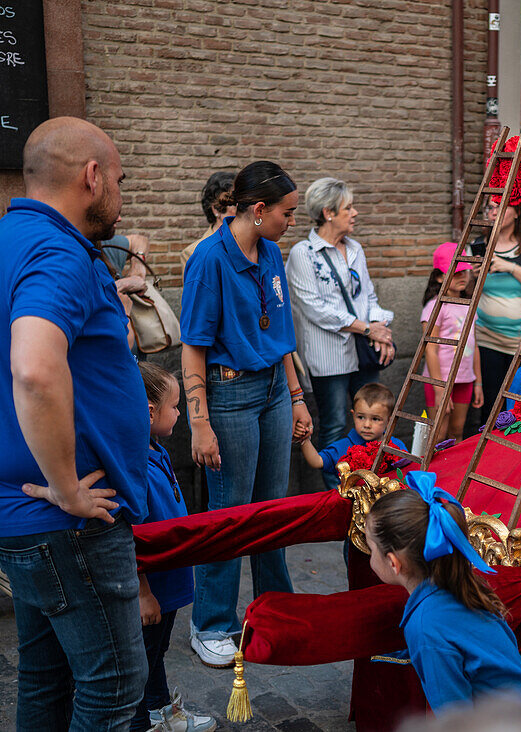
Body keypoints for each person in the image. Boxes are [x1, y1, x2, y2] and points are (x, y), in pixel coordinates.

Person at [0, 117, 149, 729]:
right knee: (114, 685)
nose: (120, 192)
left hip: (22, 514)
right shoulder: (58, 250)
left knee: (45, 678)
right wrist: (65, 487)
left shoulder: (12, 237)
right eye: (118, 178)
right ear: (92, 177)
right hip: (65, 521)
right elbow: (34, 368)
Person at [180, 160, 313, 668]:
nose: (291, 221)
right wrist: (199, 421)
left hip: (275, 390)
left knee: (272, 509)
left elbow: (281, 336)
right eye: (287, 212)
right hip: (229, 395)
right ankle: (211, 623)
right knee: (230, 512)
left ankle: (276, 610)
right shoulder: (210, 260)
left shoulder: (272, 251)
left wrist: (297, 397)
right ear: (258, 210)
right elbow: (193, 347)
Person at [366, 473, 521, 712]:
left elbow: (454, 717)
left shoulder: (426, 625)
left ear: (393, 563)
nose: (370, 557)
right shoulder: (465, 588)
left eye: (371, 548)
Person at [286, 177, 395, 490]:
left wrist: (380, 330)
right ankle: (338, 493)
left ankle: (371, 484)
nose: (355, 212)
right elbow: (315, 309)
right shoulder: (302, 254)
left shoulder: (355, 248)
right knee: (334, 423)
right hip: (328, 357)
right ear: (328, 212)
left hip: (363, 353)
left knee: (375, 417)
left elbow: (368, 297)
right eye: (349, 207)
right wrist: (367, 327)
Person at [131, 363, 216, 732]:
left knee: (155, 653)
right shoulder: (133, 465)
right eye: (175, 406)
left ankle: (160, 710)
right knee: (143, 659)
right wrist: (143, 592)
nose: (181, 413)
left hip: (169, 583)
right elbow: (129, 538)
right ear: (150, 412)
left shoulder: (155, 448)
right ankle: (142, 722)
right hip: (154, 591)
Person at [472, 200, 521, 412]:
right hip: (488, 338)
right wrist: (472, 277)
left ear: (517, 212)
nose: (493, 212)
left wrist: (510, 267)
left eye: (500, 206)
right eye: (489, 207)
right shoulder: (479, 245)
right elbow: (469, 293)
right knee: (492, 404)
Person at [423, 242, 484, 443]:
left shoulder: (469, 305)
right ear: (440, 277)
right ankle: (431, 474)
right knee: (438, 435)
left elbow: (473, 345)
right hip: (440, 380)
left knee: (457, 433)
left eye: (464, 272)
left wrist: (478, 383)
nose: (462, 277)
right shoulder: (435, 307)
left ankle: (451, 475)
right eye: (456, 273)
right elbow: (430, 350)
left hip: (465, 379)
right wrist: (440, 389)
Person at [300, 383, 406, 475]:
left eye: (375, 419)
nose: (367, 424)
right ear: (353, 415)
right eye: (361, 417)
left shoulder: (396, 447)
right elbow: (317, 461)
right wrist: (304, 439)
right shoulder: (344, 446)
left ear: (389, 421)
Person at [181, 171, 236, 266]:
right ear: (216, 209)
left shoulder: (254, 246)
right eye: (233, 204)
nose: (241, 208)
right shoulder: (192, 253)